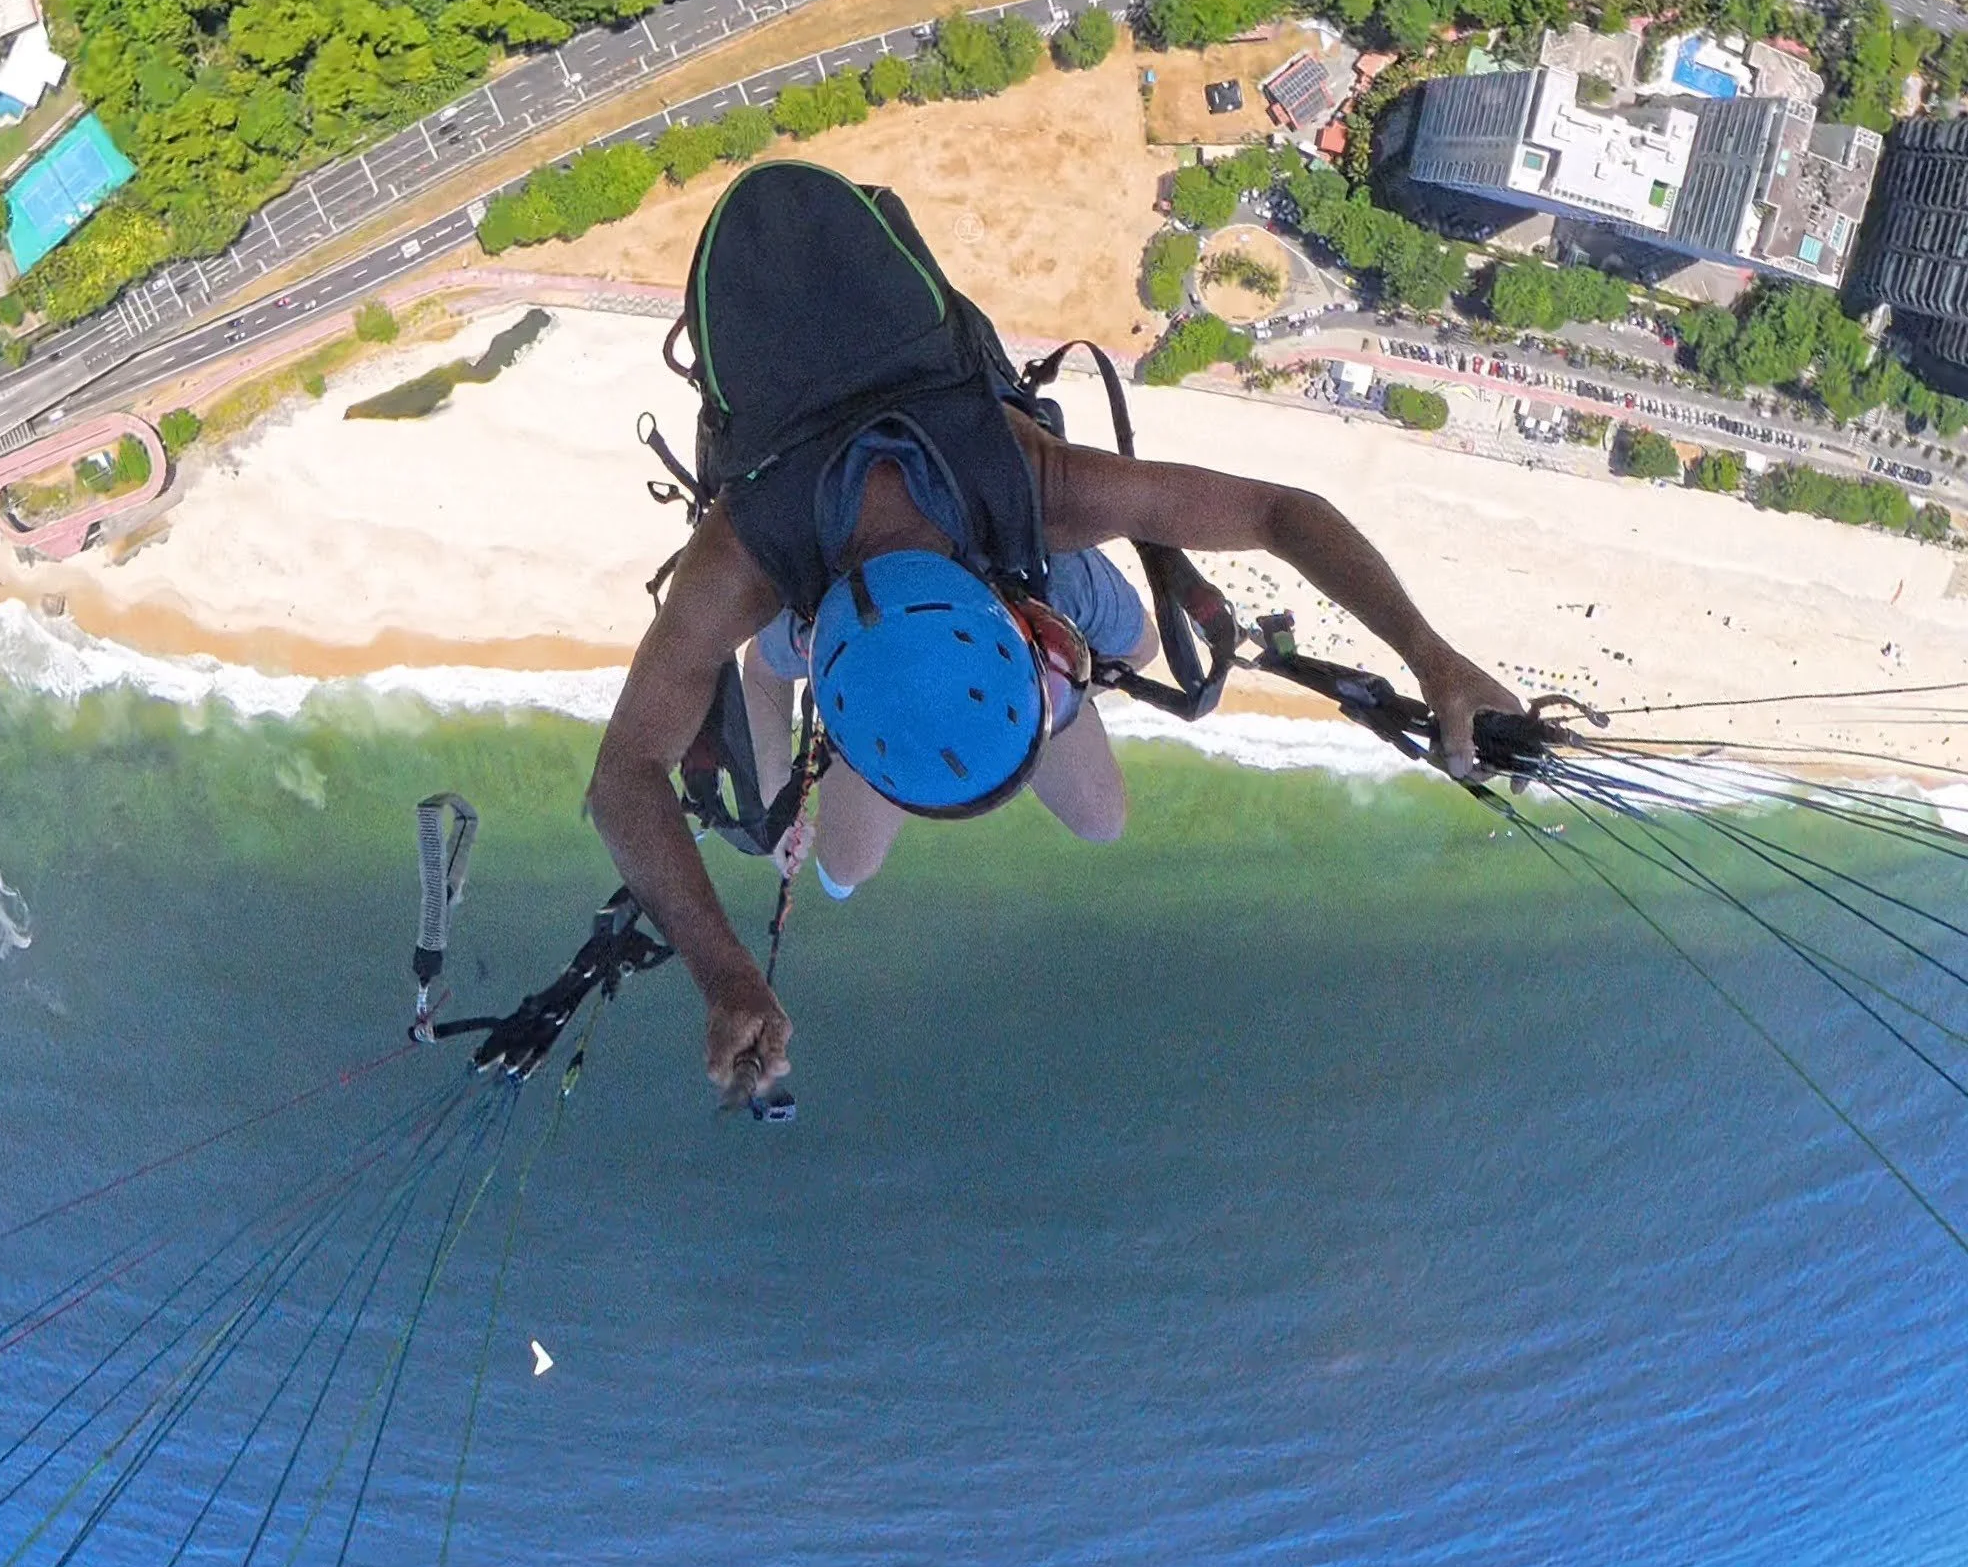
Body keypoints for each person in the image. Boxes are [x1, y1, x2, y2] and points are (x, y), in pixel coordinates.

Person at [588, 167, 1514, 1103]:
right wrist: (1421, 655)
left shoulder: (1024, 482)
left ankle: (816, 688)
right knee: (845, 870)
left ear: (1025, 621)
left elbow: (629, 775)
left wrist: (729, 975)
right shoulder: (747, 556)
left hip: (889, 586)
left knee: (1017, 823)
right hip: (852, 596)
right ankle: (789, 677)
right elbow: (1277, 512)